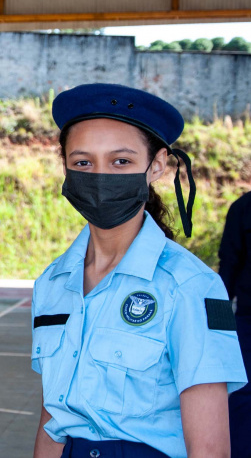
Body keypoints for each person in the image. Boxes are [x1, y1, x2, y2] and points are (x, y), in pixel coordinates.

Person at [32, 83, 246, 458]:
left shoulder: (193, 285)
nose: (100, 177)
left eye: (121, 161)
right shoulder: (53, 283)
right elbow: (54, 417)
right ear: (64, 165)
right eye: (83, 162)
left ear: (157, 165)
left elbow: (210, 448)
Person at [218, 191, 251, 452]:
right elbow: (228, 265)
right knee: (242, 393)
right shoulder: (244, 207)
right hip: (248, 320)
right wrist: (216, 324)